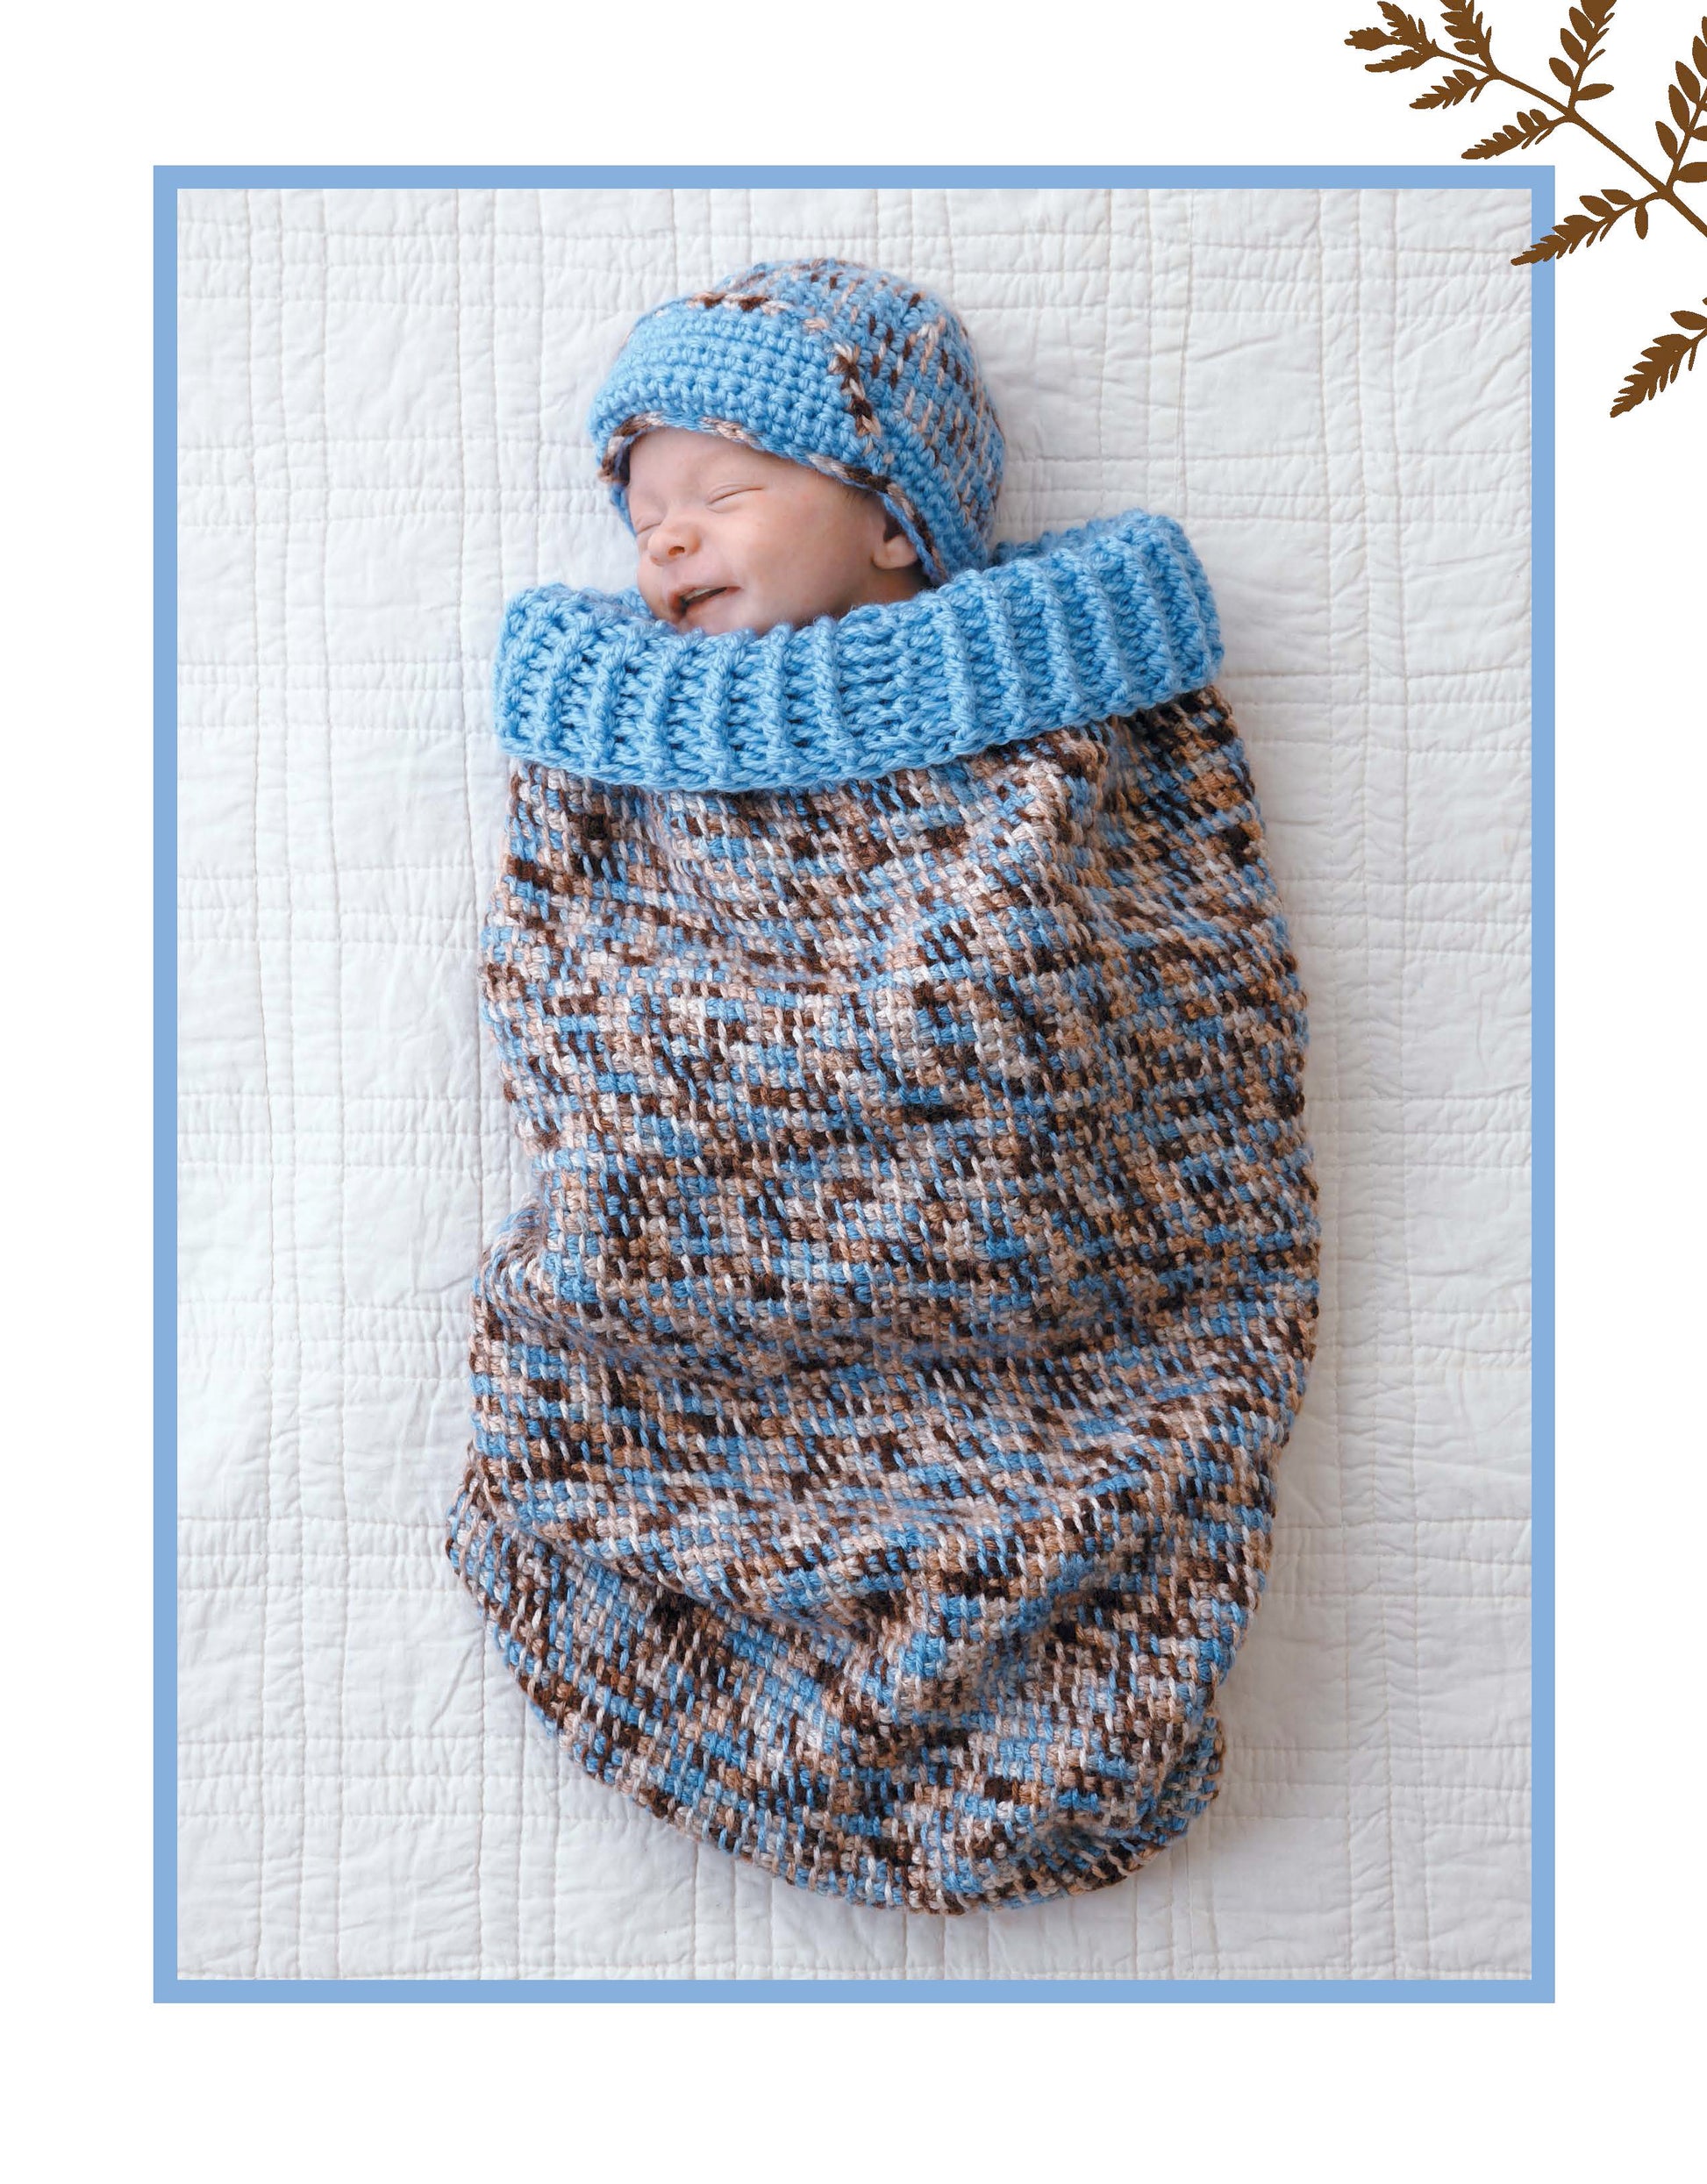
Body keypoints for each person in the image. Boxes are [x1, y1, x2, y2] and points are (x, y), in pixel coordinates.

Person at [446, 257, 1319, 1915]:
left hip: (1033, 1247)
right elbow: (577, 996)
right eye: (640, 510)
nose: (665, 536)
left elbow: (1145, 993)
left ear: (899, 524)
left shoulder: (1068, 713)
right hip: (692, 1241)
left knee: (1051, 1094)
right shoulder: (623, 734)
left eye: (721, 490)